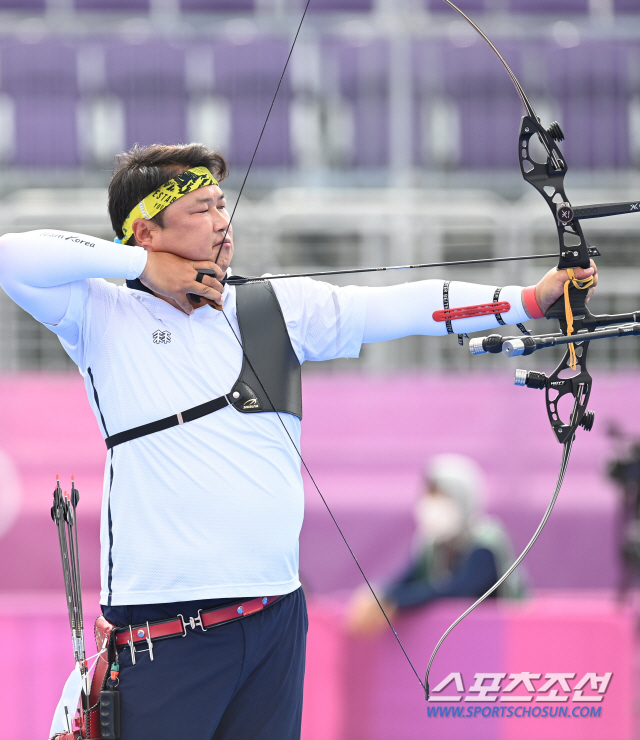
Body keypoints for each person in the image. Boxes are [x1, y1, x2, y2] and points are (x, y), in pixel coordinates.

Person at [0, 142, 596, 740]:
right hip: (163, 633)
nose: (222, 221)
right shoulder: (99, 313)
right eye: (202, 208)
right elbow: (12, 256)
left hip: (275, 623)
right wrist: (141, 268)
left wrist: (529, 300)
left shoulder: (275, 309)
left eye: (221, 206)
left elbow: (402, 307)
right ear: (146, 229)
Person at [347, 454, 524, 637]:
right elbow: (407, 579)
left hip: (499, 641)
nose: (431, 503)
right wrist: (378, 594)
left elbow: (459, 591)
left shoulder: (487, 542)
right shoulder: (432, 544)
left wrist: (395, 601)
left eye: (441, 496)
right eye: (428, 495)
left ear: (463, 498)